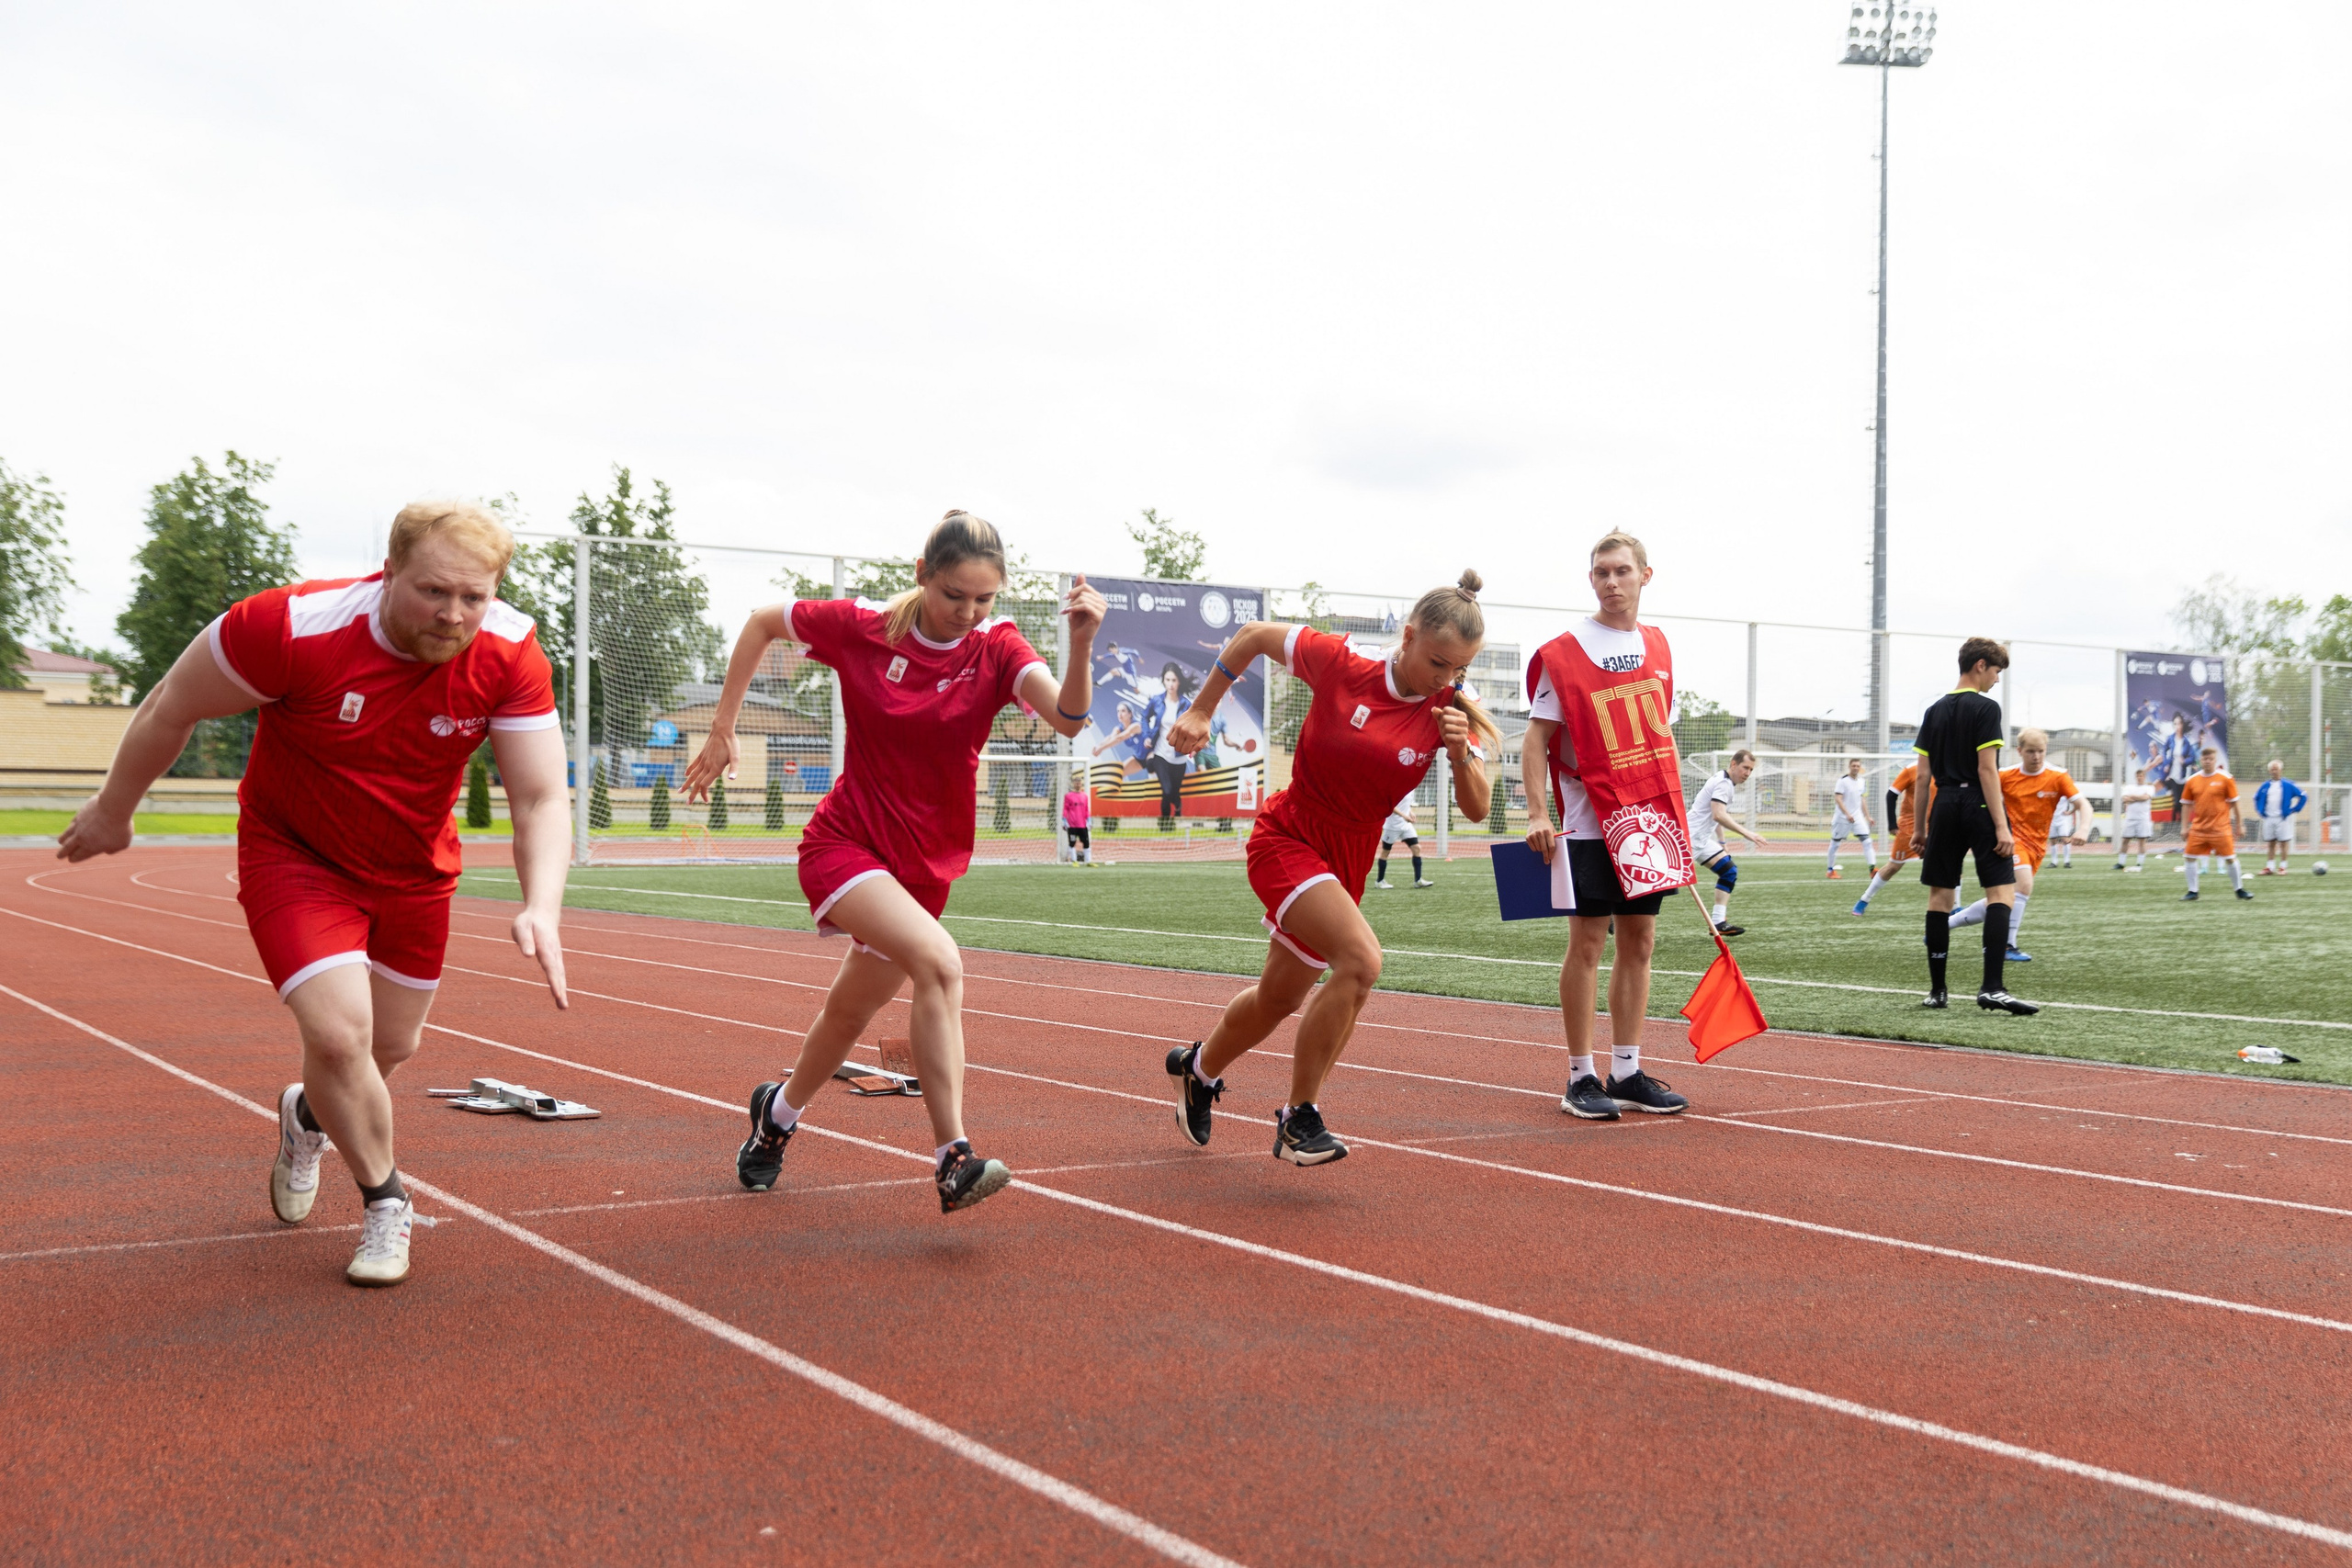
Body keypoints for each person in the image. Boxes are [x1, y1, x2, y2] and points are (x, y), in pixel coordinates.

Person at [57, 502, 572, 1287]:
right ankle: (386, 1200)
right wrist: (113, 809)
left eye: (474, 596)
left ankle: (307, 1115)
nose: (454, 614)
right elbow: (171, 704)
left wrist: (542, 904)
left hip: (414, 871)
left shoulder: (510, 651)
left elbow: (539, 796)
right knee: (338, 1037)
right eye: (434, 591)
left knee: (389, 1046)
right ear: (389, 572)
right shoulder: (289, 628)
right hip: (294, 854)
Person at [689, 512, 1107, 1213]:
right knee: (940, 963)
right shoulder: (865, 627)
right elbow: (762, 622)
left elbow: (1067, 718)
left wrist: (1082, 643)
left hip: (923, 868)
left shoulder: (998, 647)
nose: (967, 612)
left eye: (984, 598)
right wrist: (724, 725)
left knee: (848, 1013)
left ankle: (776, 1115)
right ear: (922, 574)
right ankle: (953, 1157)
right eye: (954, 595)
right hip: (846, 844)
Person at [1162, 572, 1498, 1166]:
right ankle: (1299, 1116)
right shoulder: (1343, 662)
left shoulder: (1448, 708)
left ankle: (1198, 1069)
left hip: (1350, 857)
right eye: (1437, 662)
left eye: (1458, 669)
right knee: (1362, 961)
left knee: (1278, 997)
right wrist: (1201, 708)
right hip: (1289, 835)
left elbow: (1477, 809)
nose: (1445, 678)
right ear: (1408, 635)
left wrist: (1459, 753)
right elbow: (1252, 634)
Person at [1523, 533, 1694, 1121]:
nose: (1611, 581)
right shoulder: (1565, 652)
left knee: (1640, 942)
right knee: (1589, 943)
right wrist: (1539, 813)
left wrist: (1675, 817)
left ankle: (1626, 1072)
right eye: (1601, 572)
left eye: (1622, 571)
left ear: (1646, 575)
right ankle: (1580, 1076)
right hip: (1587, 821)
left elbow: (1660, 737)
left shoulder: (1659, 646)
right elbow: (1536, 740)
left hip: (1646, 822)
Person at [1910, 637, 2037, 1014]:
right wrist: (2001, 827)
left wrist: (1919, 829)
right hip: (1978, 803)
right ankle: (1992, 988)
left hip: (1944, 804)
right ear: (1981, 665)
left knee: (1940, 896)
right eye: (1997, 671)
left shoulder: (1933, 710)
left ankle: (1937, 992)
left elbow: (1922, 777)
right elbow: (1987, 770)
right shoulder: (1986, 708)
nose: (1997, 679)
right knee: (2002, 894)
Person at [1948, 728, 2086, 964]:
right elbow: (1980, 797)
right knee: (2023, 886)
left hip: (2037, 847)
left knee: (2003, 899)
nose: (2036, 756)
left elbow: (2084, 805)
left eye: (2040, 751)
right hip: (2010, 841)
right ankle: (2006, 945)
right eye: (2030, 751)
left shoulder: (2058, 776)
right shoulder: (2005, 775)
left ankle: (1945, 925)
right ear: (2020, 751)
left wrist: (2083, 828)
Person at [1687, 749, 1766, 935]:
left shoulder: (1725, 781)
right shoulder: (1723, 783)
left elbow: (1715, 815)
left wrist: (1721, 842)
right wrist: (1747, 833)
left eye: (1751, 770)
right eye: (1745, 767)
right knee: (1660, 888)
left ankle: (1718, 922)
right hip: (1688, 840)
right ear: (1733, 764)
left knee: (1729, 871)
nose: (1747, 773)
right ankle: (1621, 915)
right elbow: (1719, 815)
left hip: (1701, 840)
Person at [2177, 746, 2251, 901]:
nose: (2208, 762)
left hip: (2220, 829)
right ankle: (2193, 892)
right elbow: (2186, 805)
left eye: (2211, 759)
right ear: (2200, 760)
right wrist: (2184, 827)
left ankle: (2239, 890)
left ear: (2215, 760)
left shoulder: (2226, 778)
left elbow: (2235, 803)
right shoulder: (2192, 780)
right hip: (2199, 829)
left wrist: (2240, 825)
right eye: (2205, 759)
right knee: (2189, 857)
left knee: (2230, 858)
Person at [1853, 759, 1923, 913]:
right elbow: (1891, 794)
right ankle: (1864, 899)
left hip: (1937, 826)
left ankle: (1955, 907)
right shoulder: (1912, 769)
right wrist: (1892, 824)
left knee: (1951, 864)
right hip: (1910, 827)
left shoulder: (1946, 767)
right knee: (1893, 866)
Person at [1137, 661, 1196, 829]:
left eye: (1174, 680)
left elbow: (1193, 726)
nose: (1170, 684)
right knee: (1167, 790)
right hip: (1160, 753)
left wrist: (1193, 744)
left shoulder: (1186, 704)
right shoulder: (1157, 700)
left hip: (1179, 757)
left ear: (1179, 682)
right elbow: (1144, 717)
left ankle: (1175, 809)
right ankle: (1164, 824)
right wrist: (1146, 736)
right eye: (1167, 680)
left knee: (1174, 792)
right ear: (1163, 680)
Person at [2253, 761, 2308, 874]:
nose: (2274, 771)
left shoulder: (2288, 785)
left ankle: (2283, 867)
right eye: (2272, 769)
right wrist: (2260, 810)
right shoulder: (2265, 786)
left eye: (2276, 769)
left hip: (2282, 818)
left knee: (2283, 843)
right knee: (2271, 843)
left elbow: (2303, 796)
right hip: (2269, 818)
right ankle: (2270, 867)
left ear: (2281, 770)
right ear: (2269, 771)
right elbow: (2256, 798)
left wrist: (2294, 809)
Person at [1826, 757, 1875, 879]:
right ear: (1849, 767)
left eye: (1858, 766)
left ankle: (1872, 869)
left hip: (1857, 817)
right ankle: (1830, 870)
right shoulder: (1842, 781)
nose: (1856, 768)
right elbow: (1838, 799)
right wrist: (1847, 814)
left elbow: (1862, 799)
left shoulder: (1862, 781)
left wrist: (1867, 816)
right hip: (1842, 818)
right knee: (1835, 844)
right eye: (1854, 766)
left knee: (1867, 841)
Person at [1374, 795, 1430, 889]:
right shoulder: (1395, 790)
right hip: (1392, 826)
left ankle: (1418, 880)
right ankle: (1379, 881)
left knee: (1416, 848)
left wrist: (1410, 812)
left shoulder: (1411, 790)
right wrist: (1404, 816)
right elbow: (1391, 807)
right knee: (1385, 852)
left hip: (1406, 825)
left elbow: (1404, 805)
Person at [2116, 766, 2155, 869]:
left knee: (2142, 841)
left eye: (2141, 776)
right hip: (2130, 818)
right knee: (2125, 840)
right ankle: (2121, 863)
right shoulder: (2129, 787)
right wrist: (2139, 797)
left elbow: (2146, 797)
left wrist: (2132, 797)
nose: (2139, 778)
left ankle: (2139, 863)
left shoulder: (2149, 788)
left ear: (2144, 777)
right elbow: (2125, 799)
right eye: (2138, 776)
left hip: (2143, 818)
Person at [1061, 778, 1094, 865]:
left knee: (1086, 842)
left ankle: (1088, 861)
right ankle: (1074, 861)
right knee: (1072, 843)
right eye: (1076, 783)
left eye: (1079, 783)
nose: (1078, 785)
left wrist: (1089, 820)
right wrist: (1064, 820)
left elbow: (1086, 809)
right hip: (1072, 824)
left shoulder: (1085, 796)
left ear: (1081, 784)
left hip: (1082, 824)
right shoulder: (1068, 796)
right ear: (1073, 784)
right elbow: (1065, 808)